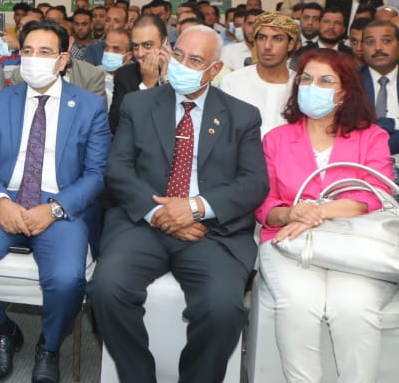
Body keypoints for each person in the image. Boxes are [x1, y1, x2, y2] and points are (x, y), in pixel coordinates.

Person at [91, 25, 268, 383]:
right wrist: (160, 213)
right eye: (178, 55)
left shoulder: (242, 116)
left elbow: (254, 183)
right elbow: (118, 169)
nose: (182, 65)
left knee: (222, 307)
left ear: (214, 70)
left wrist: (195, 208)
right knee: (106, 289)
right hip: (143, 223)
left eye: (195, 60)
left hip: (210, 231)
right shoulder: (138, 104)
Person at [0, 20, 110, 383]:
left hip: (60, 205)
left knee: (66, 280)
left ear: (62, 60)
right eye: (28, 51)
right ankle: (2, 331)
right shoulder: (0, 101)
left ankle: (49, 346)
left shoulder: (90, 106)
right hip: (6, 198)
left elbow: (96, 175)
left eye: (45, 52)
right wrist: (0, 202)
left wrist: (54, 209)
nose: (33, 59)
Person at [256, 48, 397, 382]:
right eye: (306, 79)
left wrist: (315, 212)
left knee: (352, 308)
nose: (312, 87)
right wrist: (290, 214)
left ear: (345, 91)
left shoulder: (371, 136)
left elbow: (374, 194)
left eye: (325, 81)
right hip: (290, 241)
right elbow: (264, 204)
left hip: (356, 243)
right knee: (299, 303)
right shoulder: (276, 139)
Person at [220, 12, 298, 137]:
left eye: (277, 39)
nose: (267, 46)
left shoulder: (300, 85)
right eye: (262, 38)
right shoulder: (232, 82)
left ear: (290, 44)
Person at [109, 14, 170, 133]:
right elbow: (115, 125)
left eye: (147, 45)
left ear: (164, 43)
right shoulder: (125, 75)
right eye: (136, 46)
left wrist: (165, 79)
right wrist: (146, 86)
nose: (140, 53)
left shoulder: (183, 73)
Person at [359, 20, 399, 159]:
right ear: (362, 48)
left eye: (386, 41)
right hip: (361, 159)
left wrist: (390, 124)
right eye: (370, 42)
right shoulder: (349, 81)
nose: (378, 48)